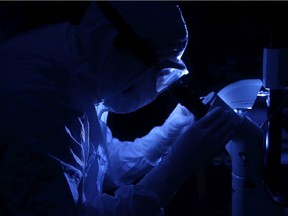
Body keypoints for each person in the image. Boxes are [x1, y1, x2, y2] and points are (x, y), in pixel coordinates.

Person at [0, 2, 240, 215]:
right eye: (160, 73)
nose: (155, 88)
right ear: (118, 46)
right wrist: (176, 167)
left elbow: (102, 167)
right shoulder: (36, 99)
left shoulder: (80, 67)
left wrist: (169, 132)